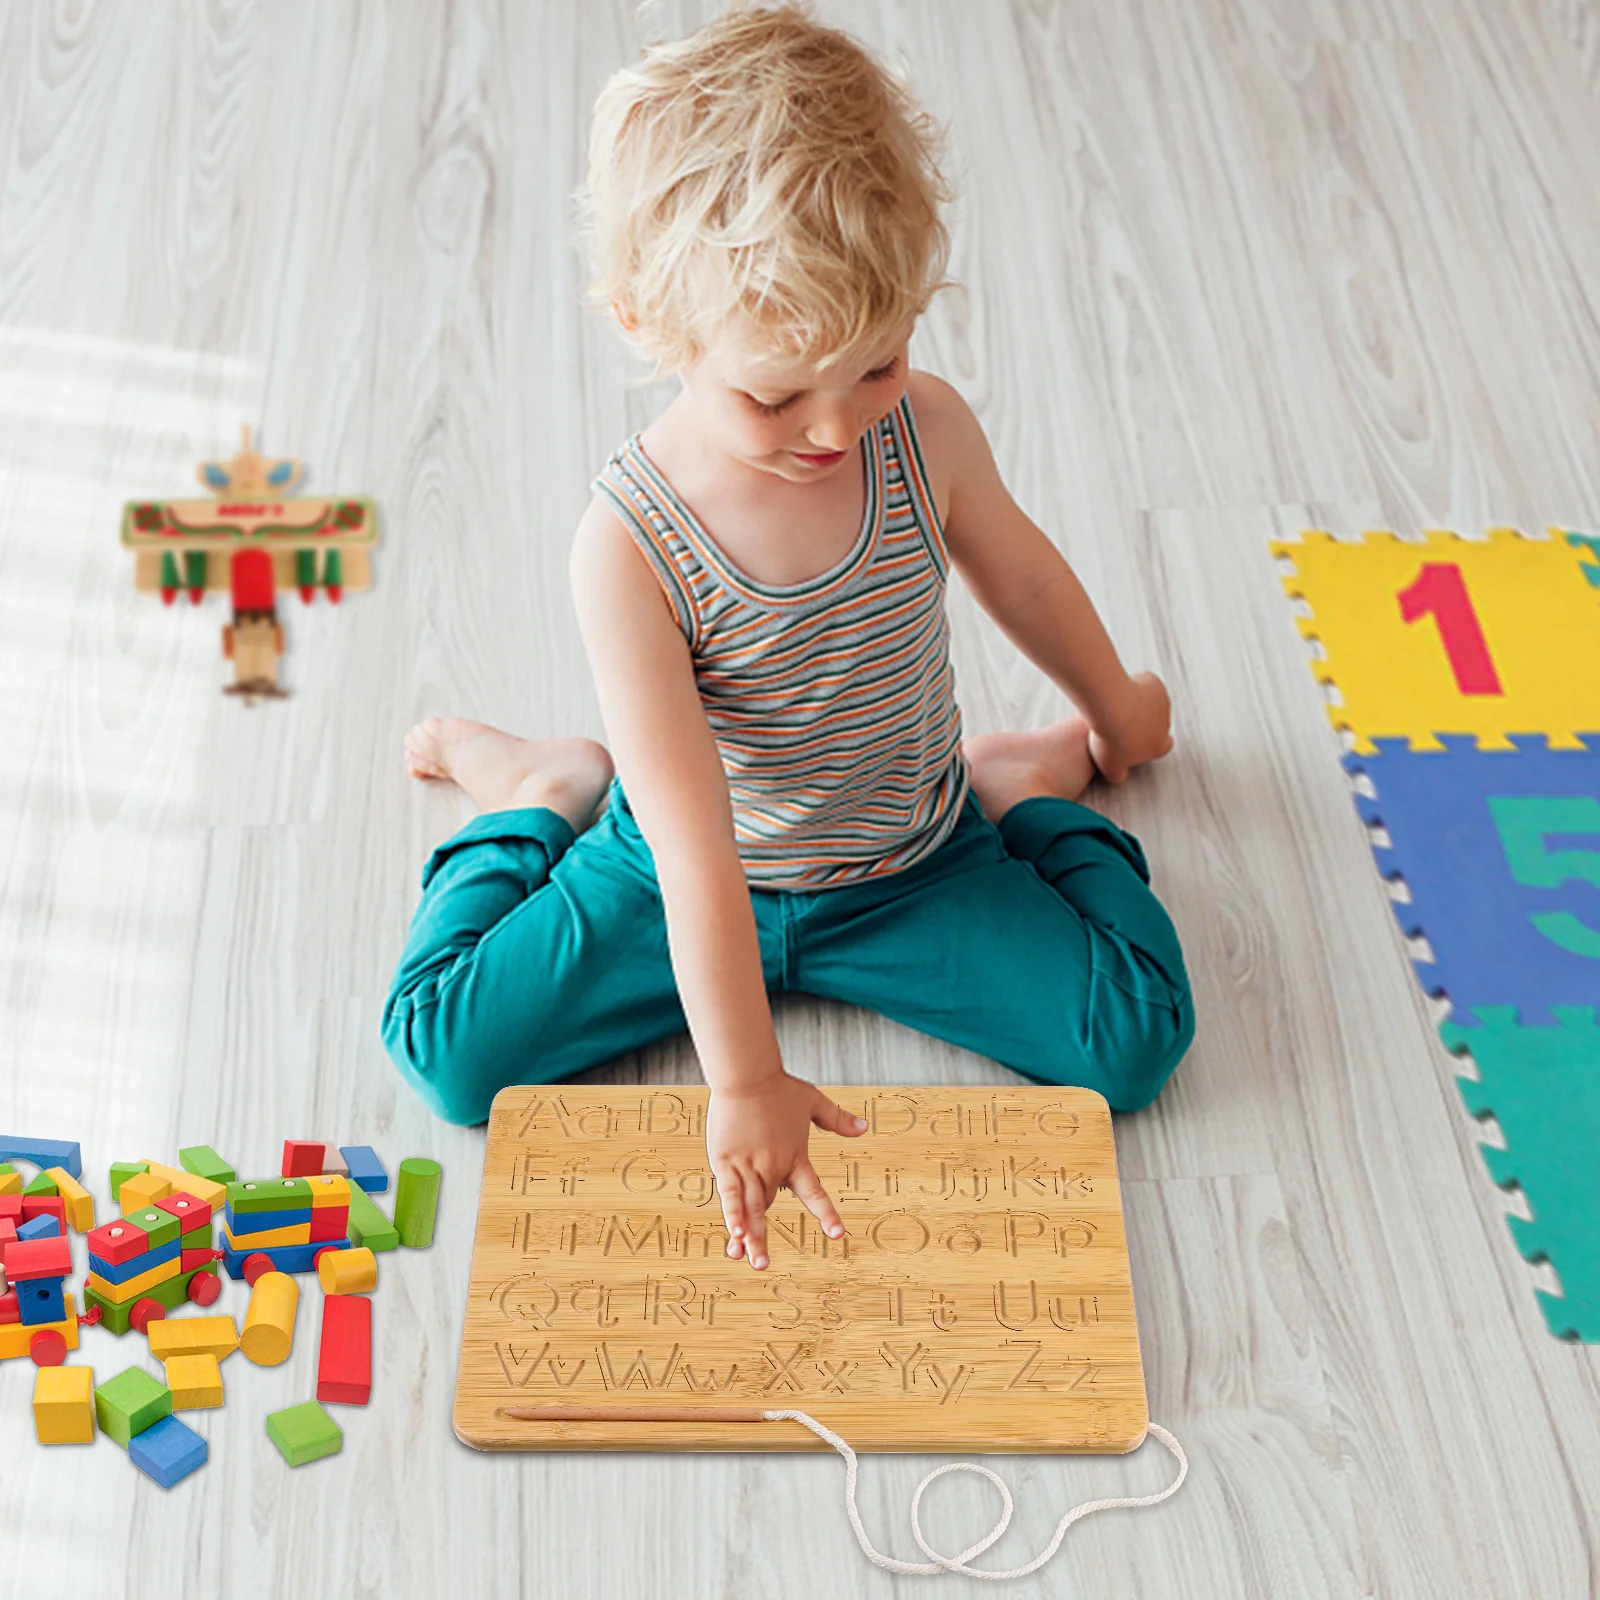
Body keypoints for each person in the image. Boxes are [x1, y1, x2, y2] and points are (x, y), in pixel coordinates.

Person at [383, 3, 1194, 1272]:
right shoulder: (628, 541)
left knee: (1136, 1036)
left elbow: (1024, 578)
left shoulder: (920, 428)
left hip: (909, 861)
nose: (832, 428)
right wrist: (745, 1075)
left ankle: (1024, 786)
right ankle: (541, 793)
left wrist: (1115, 707)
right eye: (773, 393)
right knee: (446, 1052)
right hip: (677, 874)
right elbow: (696, 836)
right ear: (648, 325)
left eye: (873, 367)